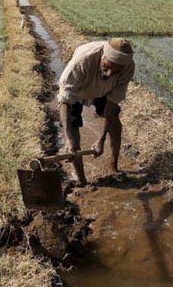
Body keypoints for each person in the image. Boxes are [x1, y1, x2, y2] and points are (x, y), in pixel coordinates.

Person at [58, 38, 135, 185]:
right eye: (107, 66)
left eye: (116, 70)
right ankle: (82, 180)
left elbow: (111, 106)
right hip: (79, 89)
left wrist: (101, 139)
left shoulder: (128, 68)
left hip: (104, 91)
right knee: (73, 139)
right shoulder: (83, 60)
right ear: (102, 56)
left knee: (115, 125)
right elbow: (65, 101)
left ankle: (113, 166)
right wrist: (68, 138)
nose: (110, 73)